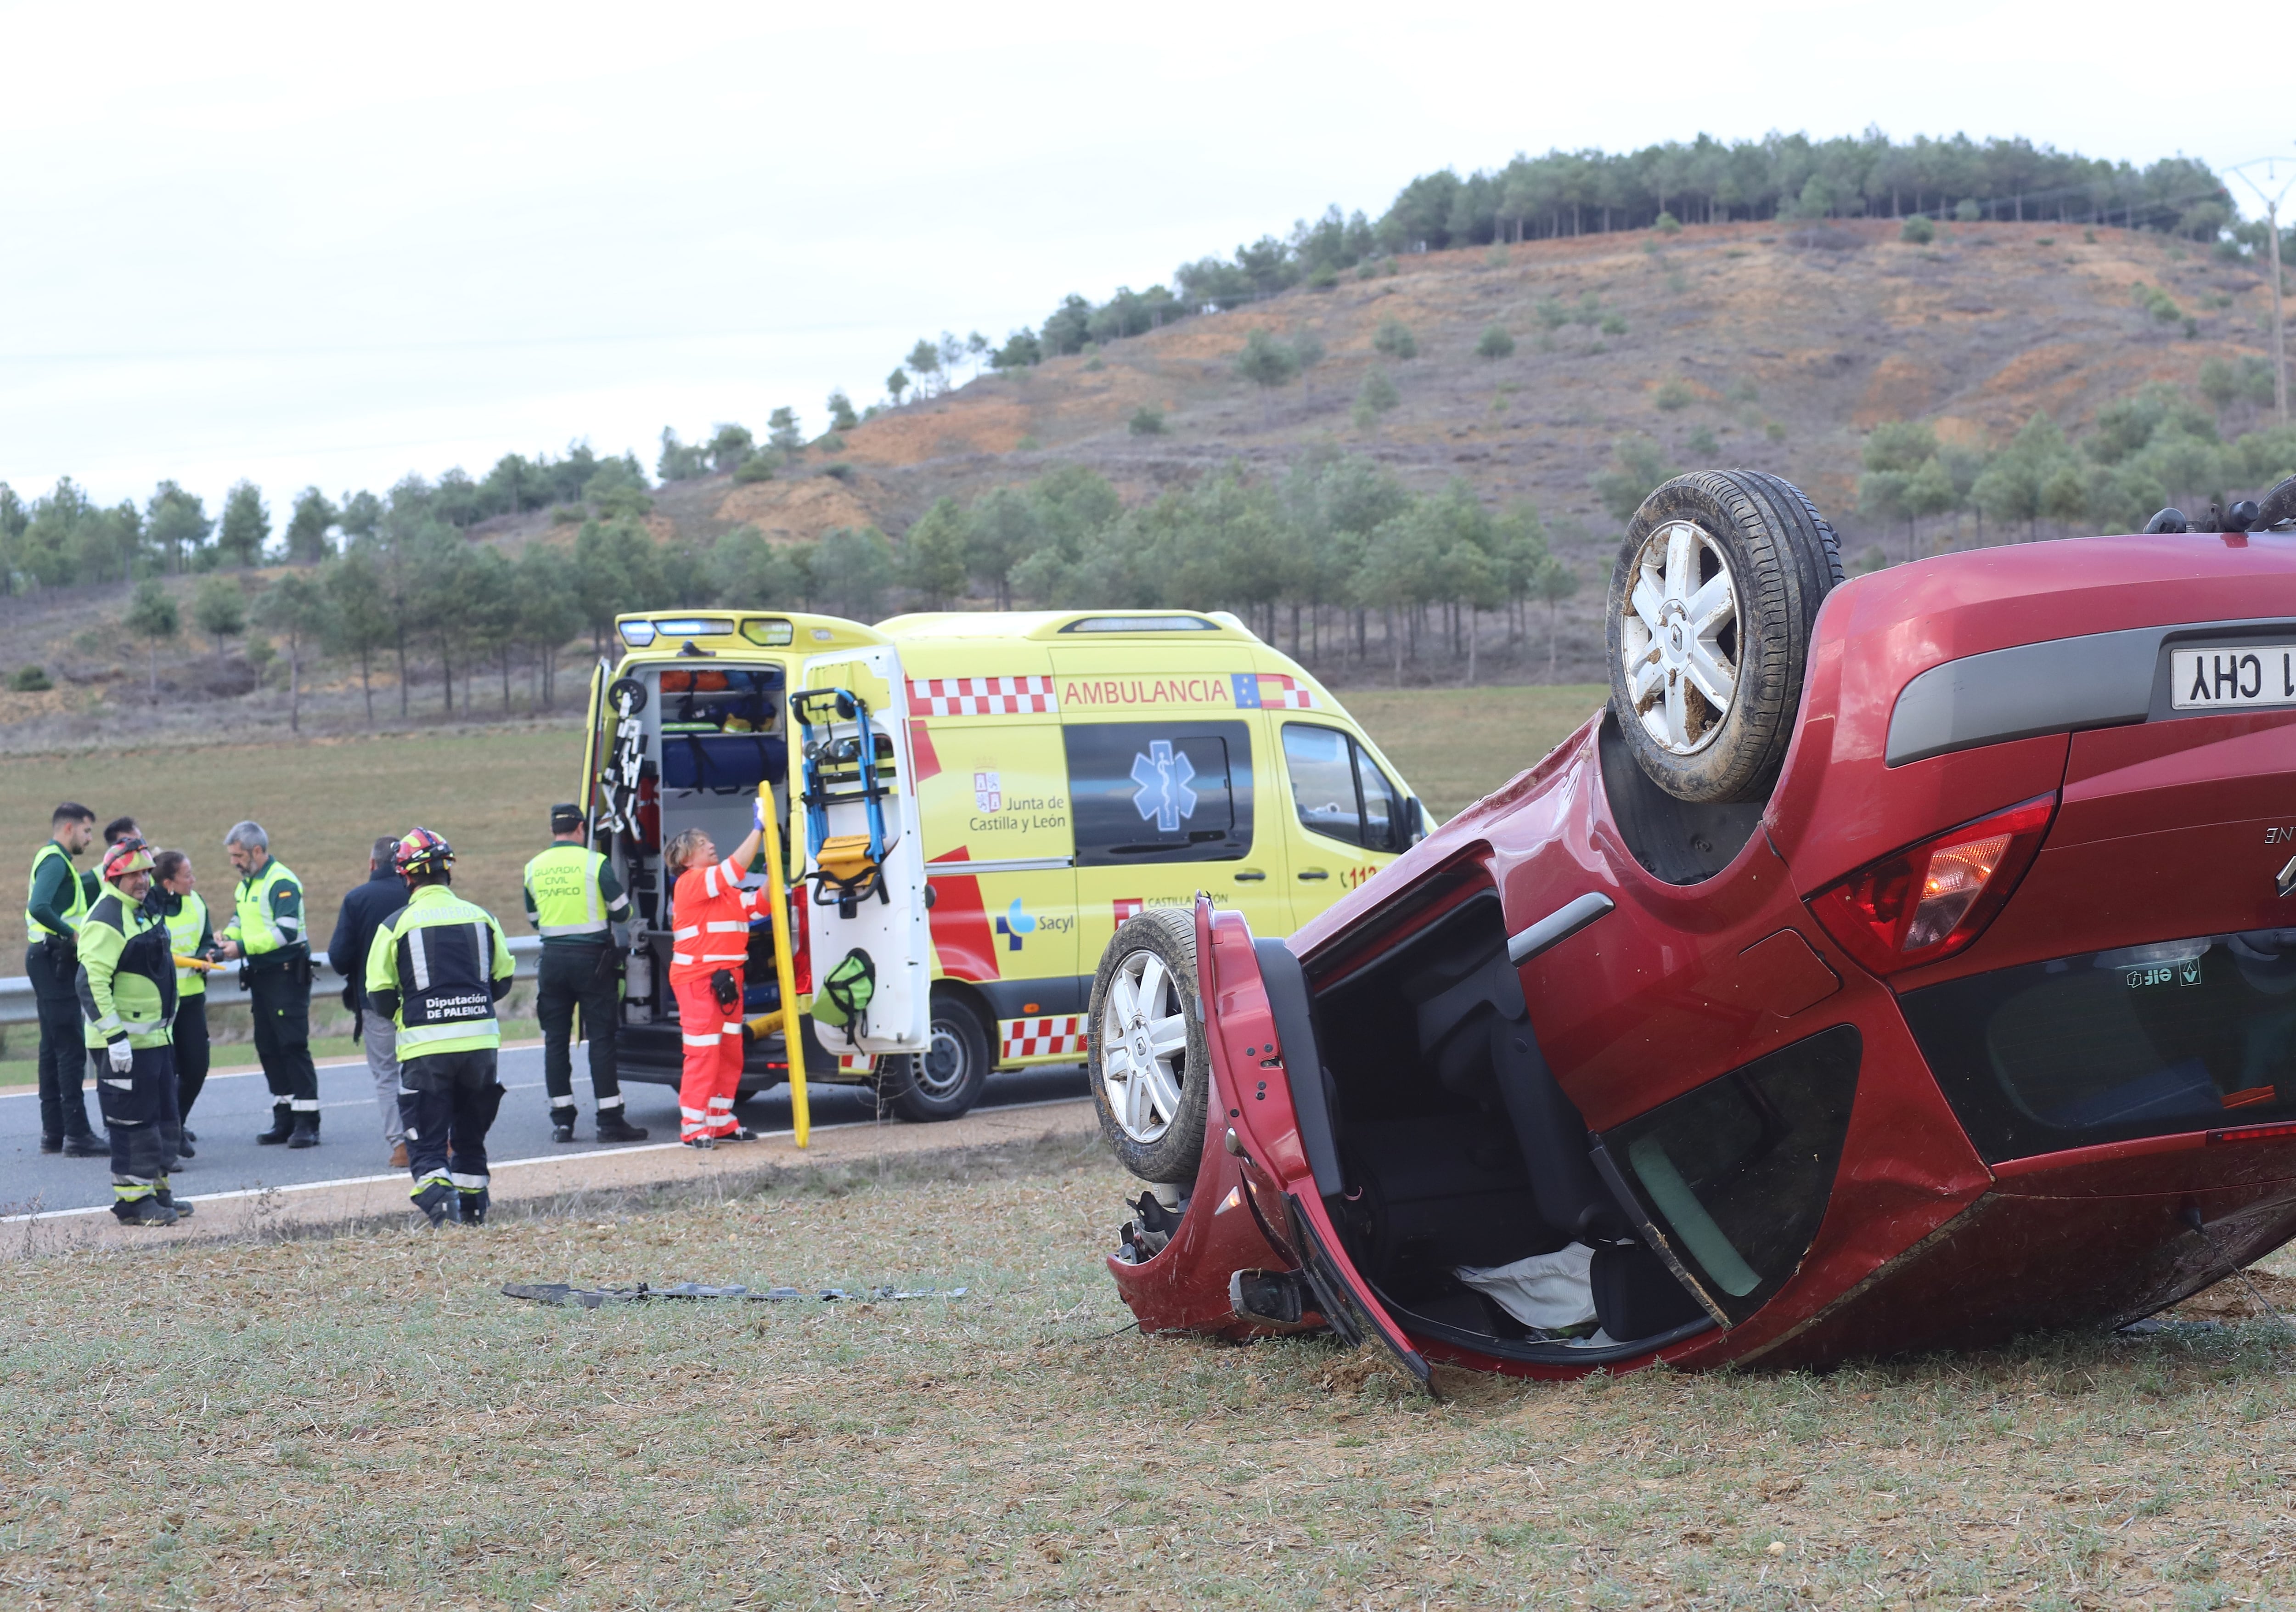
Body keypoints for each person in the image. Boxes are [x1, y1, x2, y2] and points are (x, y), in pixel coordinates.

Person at [364, 828, 515, 1227]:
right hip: (481, 1047)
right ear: (448, 871)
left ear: (406, 877)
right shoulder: (483, 917)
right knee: (470, 1138)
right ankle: (473, 1212)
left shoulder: (395, 925)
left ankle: (440, 1206)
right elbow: (502, 981)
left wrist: (413, 1012)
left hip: (424, 1048)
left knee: (428, 1145)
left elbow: (378, 996)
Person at [77, 839, 190, 1227]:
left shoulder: (142, 910)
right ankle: (132, 1202)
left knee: (164, 1118)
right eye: (134, 874)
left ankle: (156, 1190)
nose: (142, 880)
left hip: (154, 1039)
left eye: (145, 872)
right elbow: (91, 983)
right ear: (114, 877)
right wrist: (115, 1039)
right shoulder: (106, 919)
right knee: (133, 1122)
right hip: (123, 1045)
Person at [523, 803, 647, 1144]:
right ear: (581, 829)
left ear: (553, 831)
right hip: (593, 962)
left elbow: (534, 920)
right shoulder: (595, 863)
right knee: (602, 1039)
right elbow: (623, 912)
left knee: (556, 1041)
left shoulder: (534, 867)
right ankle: (610, 1120)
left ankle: (562, 1122)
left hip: (552, 962)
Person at [663, 801, 770, 1148]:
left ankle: (721, 1119)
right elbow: (735, 869)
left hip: (726, 981)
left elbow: (758, 906)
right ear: (686, 859)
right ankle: (694, 1125)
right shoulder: (691, 884)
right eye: (702, 843)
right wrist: (759, 829)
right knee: (704, 1052)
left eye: (710, 841)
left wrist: (774, 876)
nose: (711, 845)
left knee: (728, 1052)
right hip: (699, 980)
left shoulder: (722, 892)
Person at [215, 820, 320, 1147]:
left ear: (257, 851)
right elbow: (240, 920)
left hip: (286, 975)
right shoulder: (247, 884)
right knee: (268, 1046)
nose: (234, 862)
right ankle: (284, 1117)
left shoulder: (281, 881)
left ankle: (308, 1122)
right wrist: (225, 939)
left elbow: (285, 931)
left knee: (291, 1044)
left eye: (238, 855)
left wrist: (242, 948)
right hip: (261, 976)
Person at [328, 836, 412, 1166]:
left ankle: (401, 1145)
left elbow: (338, 957)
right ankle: (438, 1139)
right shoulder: (415, 895)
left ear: (372, 864)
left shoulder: (357, 899)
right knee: (425, 1069)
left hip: (376, 1001)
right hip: (420, 999)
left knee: (387, 1074)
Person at [26, 800, 103, 1156]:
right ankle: (77, 1134)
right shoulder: (56, 861)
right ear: (69, 828)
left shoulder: (57, 861)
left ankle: (54, 1132)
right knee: (70, 1048)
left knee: (51, 1048)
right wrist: (72, 934)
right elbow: (39, 907)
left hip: (45, 960)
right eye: (87, 831)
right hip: (54, 961)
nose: (90, 839)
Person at [144, 850, 218, 1154]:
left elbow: (208, 940)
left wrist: (208, 955)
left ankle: (176, 1125)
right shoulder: (148, 908)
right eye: (187, 875)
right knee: (165, 1074)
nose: (194, 880)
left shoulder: (196, 902)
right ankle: (167, 1136)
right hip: (160, 1005)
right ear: (168, 883)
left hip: (191, 1001)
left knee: (197, 1068)